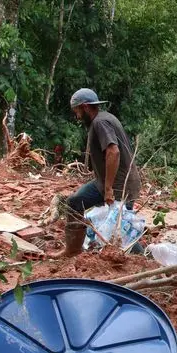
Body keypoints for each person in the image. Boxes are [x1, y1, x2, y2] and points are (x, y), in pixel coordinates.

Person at [52, 88, 142, 258]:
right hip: (104, 182)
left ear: (85, 107)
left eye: (77, 111)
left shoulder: (100, 123)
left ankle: (143, 258)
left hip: (120, 186)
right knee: (74, 202)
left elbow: (113, 151)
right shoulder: (104, 118)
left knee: (120, 229)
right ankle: (73, 250)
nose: (77, 116)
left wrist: (108, 188)